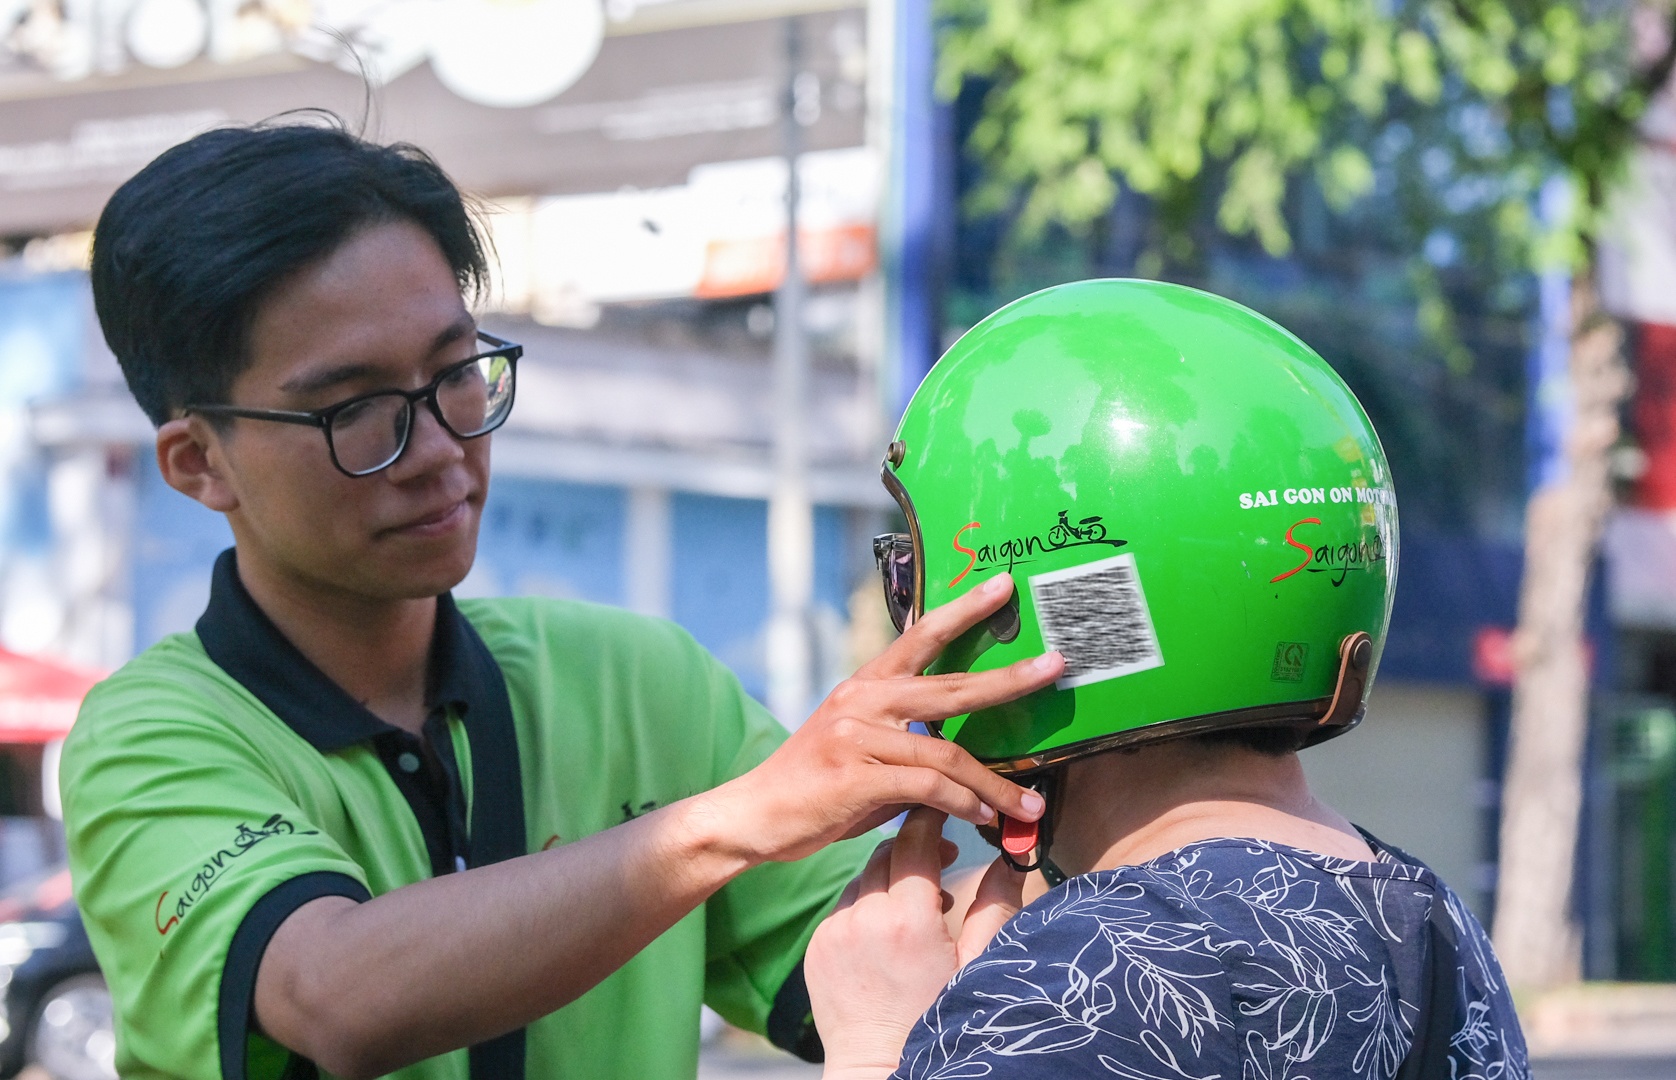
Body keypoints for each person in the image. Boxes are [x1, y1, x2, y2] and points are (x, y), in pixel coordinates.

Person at [61, 118, 1067, 1080]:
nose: (443, 447)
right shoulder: (152, 736)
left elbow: (889, 969)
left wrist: (1112, 798)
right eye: (358, 410)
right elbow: (333, 997)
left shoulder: (638, 678)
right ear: (199, 464)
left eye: (458, 372)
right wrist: (744, 814)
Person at [804, 280, 1529, 1079]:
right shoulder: (1439, 929)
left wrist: (875, 1038)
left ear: (1029, 609)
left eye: (912, 569)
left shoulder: (1077, 981)